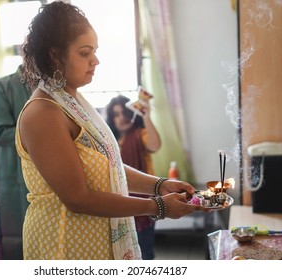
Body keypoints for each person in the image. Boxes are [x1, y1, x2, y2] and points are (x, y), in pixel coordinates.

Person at [16, 1, 208, 260]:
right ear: (55, 55)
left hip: (96, 240)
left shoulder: (73, 102)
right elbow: (77, 198)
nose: (95, 61)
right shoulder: (42, 113)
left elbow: (110, 166)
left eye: (94, 51)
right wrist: (157, 207)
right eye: (84, 53)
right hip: (65, 246)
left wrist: (159, 185)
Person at [105, 94, 161, 260]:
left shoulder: (140, 134)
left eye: (125, 113)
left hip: (146, 202)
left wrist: (147, 117)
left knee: (145, 250)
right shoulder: (109, 142)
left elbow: (155, 145)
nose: (121, 118)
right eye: (116, 114)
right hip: (118, 202)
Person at [0, 64, 31, 259]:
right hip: (16, 175)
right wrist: (42, 131)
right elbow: (0, 134)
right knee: (19, 240)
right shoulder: (1, 87)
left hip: (48, 174)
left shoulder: (52, 87)